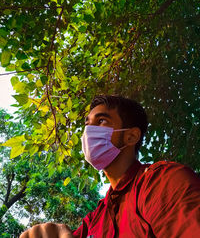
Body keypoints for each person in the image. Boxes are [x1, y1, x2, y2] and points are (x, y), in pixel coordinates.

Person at [20, 95, 200, 238]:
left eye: (101, 122)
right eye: (87, 124)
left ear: (131, 136)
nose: (88, 132)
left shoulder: (162, 182)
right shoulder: (95, 218)